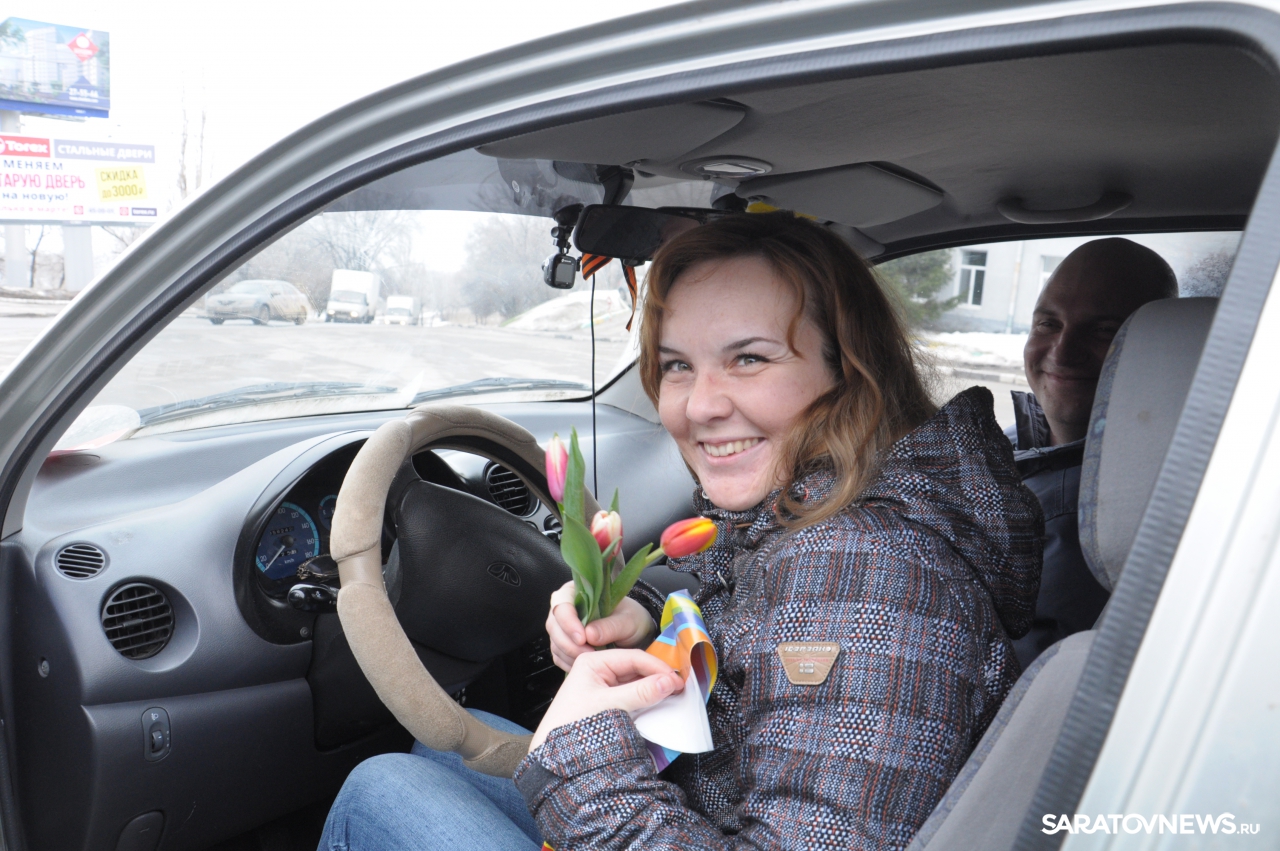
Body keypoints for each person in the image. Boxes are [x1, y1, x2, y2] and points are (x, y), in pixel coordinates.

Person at [320, 213, 1042, 850]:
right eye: (676, 366)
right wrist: (642, 631)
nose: (698, 406)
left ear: (848, 369)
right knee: (440, 749)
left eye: (749, 358)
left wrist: (579, 757)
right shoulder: (816, 515)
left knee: (382, 790)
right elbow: (769, 667)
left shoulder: (866, 568)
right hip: (709, 810)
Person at [1007, 237, 1178, 666]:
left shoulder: (1110, 515)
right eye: (1048, 323)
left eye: (1103, 330)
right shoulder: (1007, 444)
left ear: (1156, 347)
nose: (1063, 351)